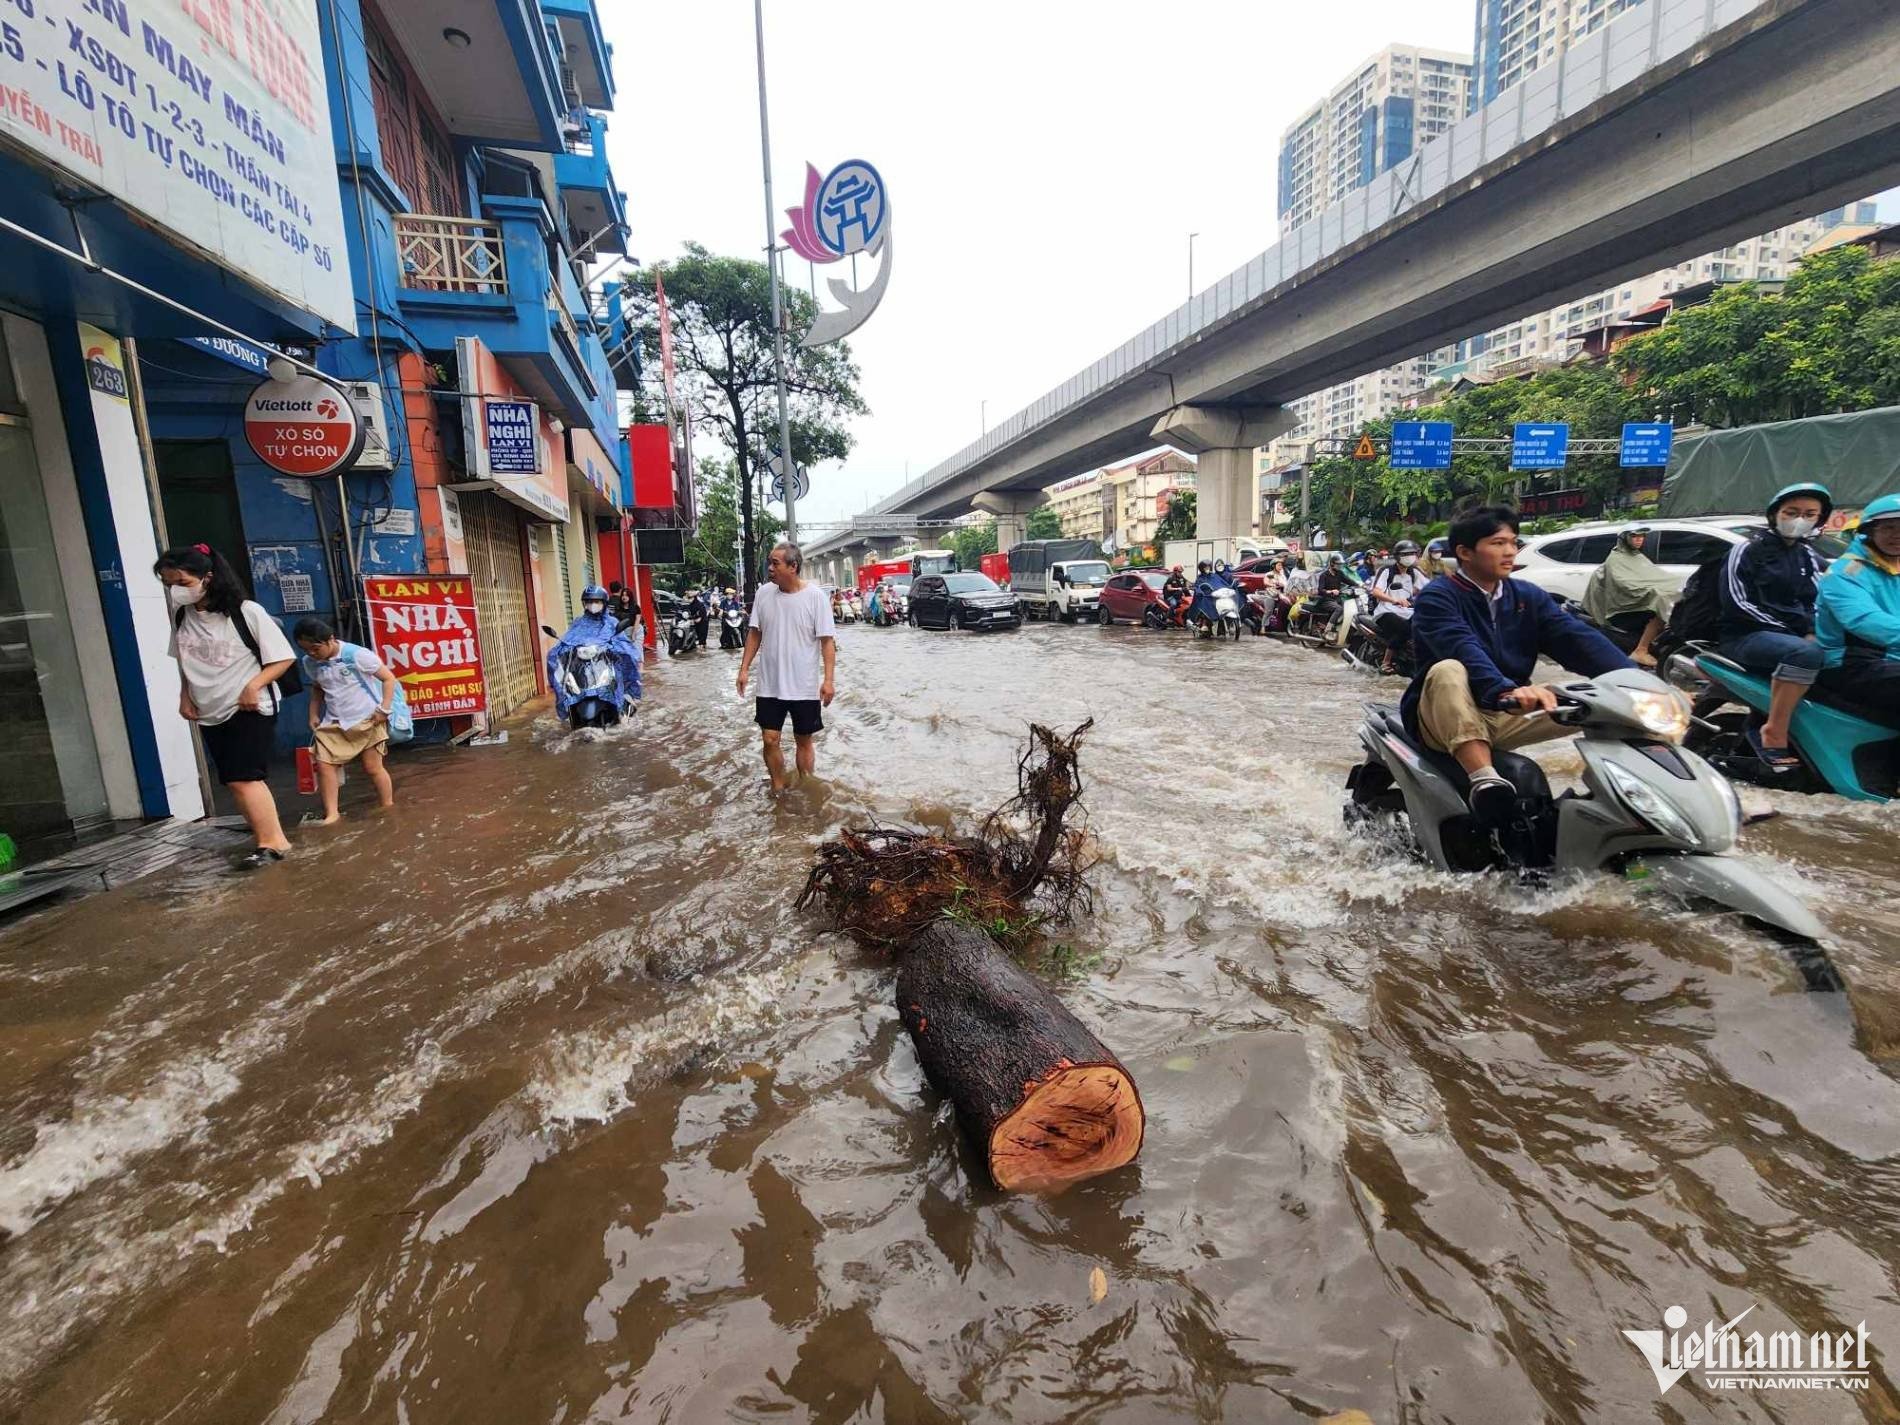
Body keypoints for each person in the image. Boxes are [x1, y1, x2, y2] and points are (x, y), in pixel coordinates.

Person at [1403, 506, 1633, 821]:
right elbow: (1462, 647)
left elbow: (1578, 640)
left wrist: (1636, 683)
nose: (1510, 551)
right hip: (1445, 715)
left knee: (1609, 704)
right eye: (1498, 543)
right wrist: (1503, 690)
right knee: (1449, 668)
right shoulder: (1437, 597)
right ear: (1465, 552)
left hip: (1507, 707)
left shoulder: (1528, 596)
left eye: (1513, 542)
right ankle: (1484, 780)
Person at [155, 544, 296, 867]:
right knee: (233, 780)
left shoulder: (246, 612)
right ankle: (264, 837)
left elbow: (284, 658)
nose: (175, 591)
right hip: (209, 709)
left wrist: (253, 686)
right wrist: (184, 695)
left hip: (248, 706)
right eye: (169, 584)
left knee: (245, 777)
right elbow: (185, 659)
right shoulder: (182, 615)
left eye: (182, 583)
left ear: (208, 577)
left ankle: (274, 843)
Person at [1717, 482, 1833, 770]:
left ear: (1819, 519)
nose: (1799, 520)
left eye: (1809, 514)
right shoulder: (1746, 550)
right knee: (1806, 655)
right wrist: (1797, 634)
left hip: (1795, 638)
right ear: (1775, 514)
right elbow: (1737, 603)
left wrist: (1816, 629)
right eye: (1792, 512)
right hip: (1745, 635)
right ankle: (1774, 731)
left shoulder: (1808, 556)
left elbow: (1823, 600)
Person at [737, 542, 836, 790]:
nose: (770, 568)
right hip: (769, 684)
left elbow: (827, 642)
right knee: (770, 739)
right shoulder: (763, 594)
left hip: (803, 686)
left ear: (793, 567)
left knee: (804, 741)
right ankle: (778, 789)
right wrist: (744, 669)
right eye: (769, 562)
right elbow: (754, 634)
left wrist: (828, 680)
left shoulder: (815, 598)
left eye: (775, 563)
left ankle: (805, 786)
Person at [294, 617, 398, 823]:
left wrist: (384, 709)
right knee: (325, 766)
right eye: (306, 650)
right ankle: (332, 814)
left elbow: (388, 678)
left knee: (373, 767)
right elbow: (317, 689)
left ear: (330, 640)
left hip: (369, 719)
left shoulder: (356, 655)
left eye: (315, 649)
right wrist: (313, 713)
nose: (312, 654)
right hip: (334, 722)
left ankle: (387, 806)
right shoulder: (310, 663)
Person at [1815, 493, 1900, 727]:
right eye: (1889, 527)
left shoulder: (1895, 566)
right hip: (1853, 661)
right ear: (1869, 531)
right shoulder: (1845, 573)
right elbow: (1865, 620)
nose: (1897, 534)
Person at [1581, 525, 1676, 667]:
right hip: (1622, 608)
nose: (1639, 539)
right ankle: (1641, 650)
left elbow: (1655, 575)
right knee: (1658, 611)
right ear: (1624, 538)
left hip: (1637, 604)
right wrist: (1650, 591)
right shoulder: (1616, 558)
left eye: (1642, 536)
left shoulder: (1637, 556)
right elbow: (1624, 583)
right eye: (1634, 536)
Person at [546, 584, 642, 722]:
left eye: (596, 601)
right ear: (584, 604)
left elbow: (623, 643)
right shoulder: (578, 623)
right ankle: (566, 706)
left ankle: (627, 698)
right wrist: (562, 648)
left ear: (604, 603)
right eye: (589, 602)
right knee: (552, 656)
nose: (593, 605)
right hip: (581, 668)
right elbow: (567, 640)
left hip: (606, 664)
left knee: (629, 660)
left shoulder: (611, 622)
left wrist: (614, 649)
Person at [1368, 538, 1429, 673]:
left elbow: (1430, 587)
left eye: (1412, 554)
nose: (1409, 557)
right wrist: (1394, 600)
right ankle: (1386, 662)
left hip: (1407, 610)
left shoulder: (1414, 572)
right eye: (1405, 555)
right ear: (1397, 556)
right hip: (1386, 610)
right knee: (1405, 628)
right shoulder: (1386, 571)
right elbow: (1376, 591)